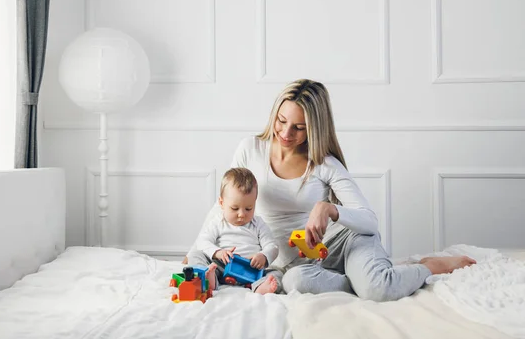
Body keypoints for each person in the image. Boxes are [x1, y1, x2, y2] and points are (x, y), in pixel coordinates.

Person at [187, 79, 476, 301]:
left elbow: (369, 220)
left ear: (315, 127)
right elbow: (226, 203)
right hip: (298, 263)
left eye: (299, 127)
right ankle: (368, 277)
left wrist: (329, 208)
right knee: (295, 283)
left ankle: (430, 266)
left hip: (343, 242)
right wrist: (197, 250)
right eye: (282, 121)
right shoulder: (250, 149)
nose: (286, 134)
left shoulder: (324, 164)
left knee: (378, 290)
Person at [187, 167, 280, 295]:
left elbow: (272, 246)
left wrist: (263, 256)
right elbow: (203, 241)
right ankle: (210, 279)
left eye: (248, 208)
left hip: (251, 270)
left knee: (278, 273)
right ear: (222, 203)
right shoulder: (218, 222)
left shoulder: (258, 224)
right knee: (195, 255)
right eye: (235, 208)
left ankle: (260, 287)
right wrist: (218, 252)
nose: (241, 214)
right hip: (221, 267)